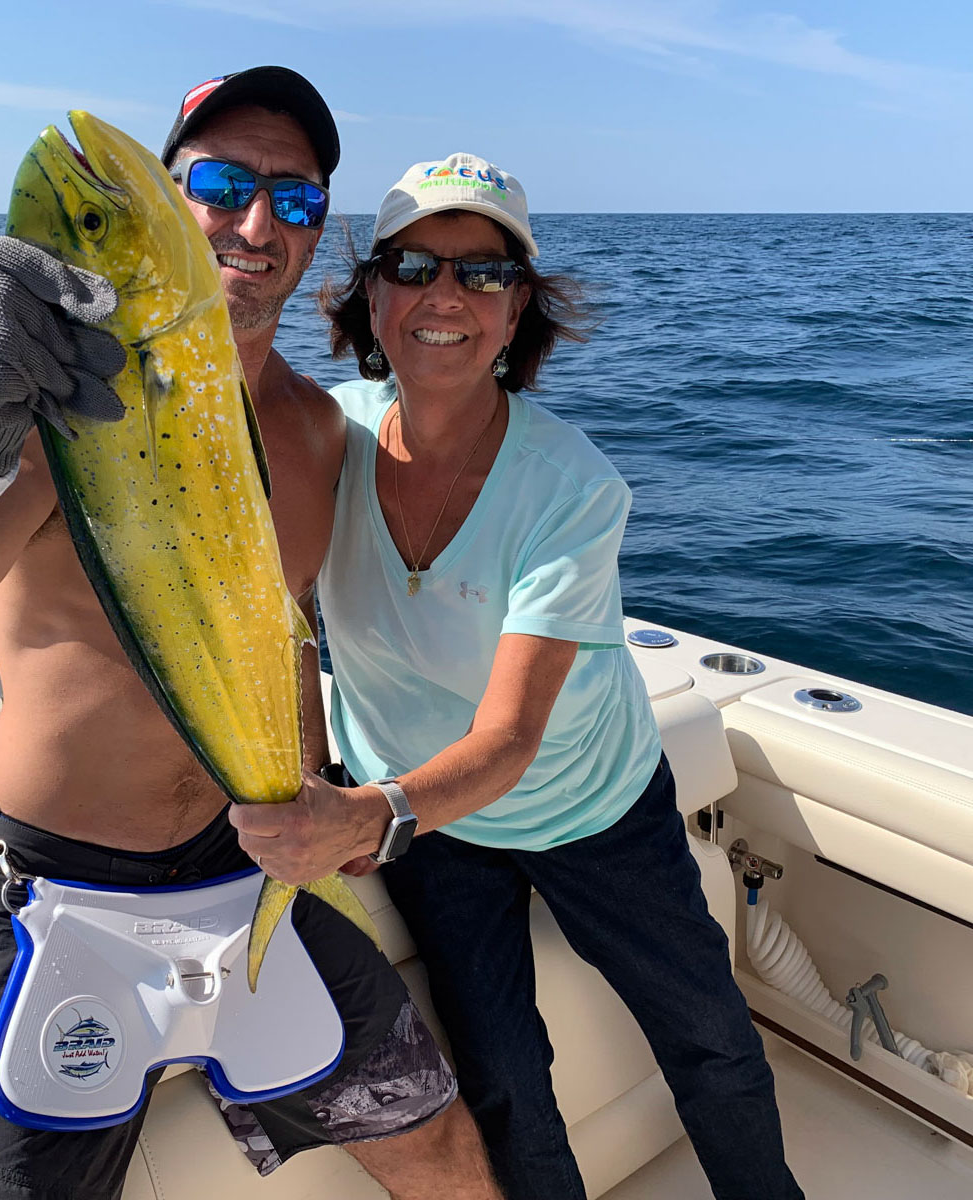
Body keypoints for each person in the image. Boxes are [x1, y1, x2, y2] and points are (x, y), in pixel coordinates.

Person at [0, 70, 500, 1200]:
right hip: (52, 891)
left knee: (435, 1142)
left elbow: (279, 634)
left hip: (251, 869)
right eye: (223, 184)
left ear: (316, 233)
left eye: (292, 200)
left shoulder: (315, 430)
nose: (253, 223)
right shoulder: (59, 405)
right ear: (168, 199)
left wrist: (323, 802)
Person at [231, 154, 806, 1199]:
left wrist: (361, 818)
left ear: (515, 312)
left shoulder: (573, 489)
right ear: (372, 297)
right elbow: (291, 618)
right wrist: (320, 776)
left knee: (706, 1036)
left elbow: (507, 740)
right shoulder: (326, 435)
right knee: (498, 1078)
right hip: (429, 827)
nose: (444, 294)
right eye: (411, 264)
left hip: (586, 808)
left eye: (483, 274)